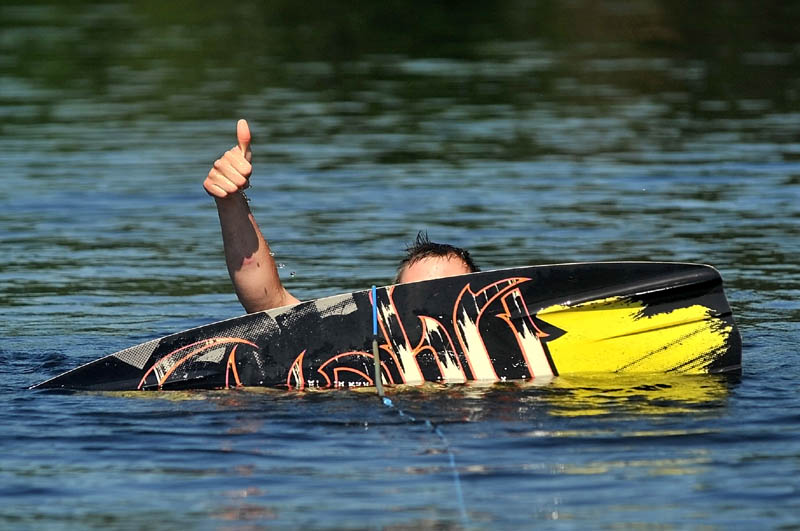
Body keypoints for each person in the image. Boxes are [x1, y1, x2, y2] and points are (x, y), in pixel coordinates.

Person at [204, 119, 479, 313]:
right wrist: (230, 201)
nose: (431, 307)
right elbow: (270, 304)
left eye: (448, 293)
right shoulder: (360, 348)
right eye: (413, 297)